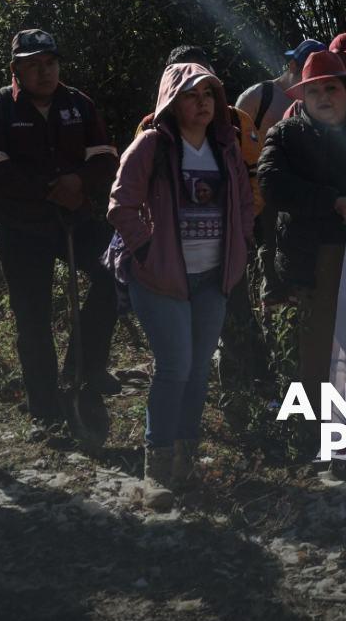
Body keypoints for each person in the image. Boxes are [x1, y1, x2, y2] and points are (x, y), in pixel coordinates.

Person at [109, 63, 254, 493]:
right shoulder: (152, 145)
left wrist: (241, 247)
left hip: (212, 279)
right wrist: (148, 251)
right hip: (161, 280)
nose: (203, 102)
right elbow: (121, 205)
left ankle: (185, 465)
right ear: (173, 101)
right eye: (192, 94)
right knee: (174, 368)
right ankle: (157, 466)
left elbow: (245, 204)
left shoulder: (225, 147)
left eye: (210, 94)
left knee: (197, 373)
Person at [0, 29, 119, 440]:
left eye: (50, 62)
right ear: (16, 69)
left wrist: (80, 182)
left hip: (76, 219)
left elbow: (106, 156)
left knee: (115, 277)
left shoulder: (79, 103)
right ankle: (45, 408)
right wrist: (52, 189)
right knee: (32, 317)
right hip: (22, 228)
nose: (44, 71)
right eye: (33, 65)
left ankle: (83, 369)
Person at [258, 51, 346, 399]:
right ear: (303, 97)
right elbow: (270, 183)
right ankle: (309, 436)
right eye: (314, 92)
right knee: (312, 354)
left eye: (331, 89)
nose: (323, 98)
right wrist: (330, 200)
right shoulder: (286, 134)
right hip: (309, 263)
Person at [235, 38, 326, 308]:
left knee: (285, 254)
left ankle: (284, 314)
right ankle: (266, 313)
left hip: (294, 190)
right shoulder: (259, 96)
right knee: (264, 254)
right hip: (255, 189)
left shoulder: (314, 98)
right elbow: (232, 139)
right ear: (293, 64)